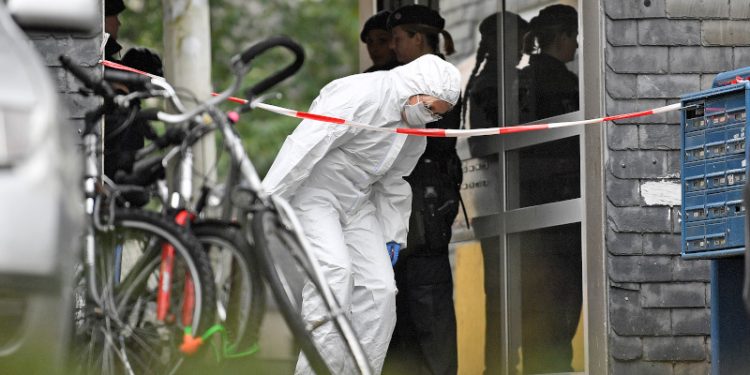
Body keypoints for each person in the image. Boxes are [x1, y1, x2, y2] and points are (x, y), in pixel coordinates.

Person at [262, 54, 461, 375]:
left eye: (437, 114)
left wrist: (392, 235)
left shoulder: (414, 126)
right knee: (334, 277)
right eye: (428, 107)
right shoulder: (362, 94)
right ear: (415, 86)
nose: (428, 117)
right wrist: (267, 199)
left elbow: (395, 181)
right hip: (315, 193)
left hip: (357, 201)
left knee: (381, 291)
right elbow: (305, 145)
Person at [382, 5, 462, 375]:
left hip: (424, 216)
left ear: (418, 38)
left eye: (398, 39)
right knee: (401, 320)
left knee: (430, 316)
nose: (392, 47)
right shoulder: (396, 79)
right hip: (401, 216)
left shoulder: (440, 81)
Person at [463, 12, 529, 128]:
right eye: (515, 41)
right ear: (495, 44)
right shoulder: (486, 85)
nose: (521, 49)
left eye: (522, 43)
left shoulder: (517, 77)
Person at [518, 4, 579, 123]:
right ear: (563, 37)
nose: (577, 45)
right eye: (575, 37)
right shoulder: (562, 81)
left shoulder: (527, 75)